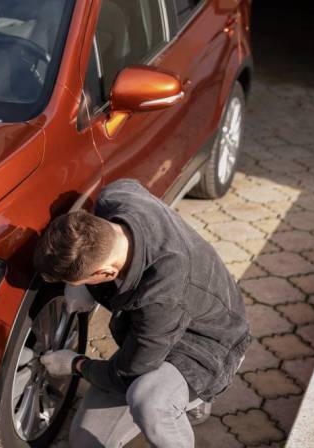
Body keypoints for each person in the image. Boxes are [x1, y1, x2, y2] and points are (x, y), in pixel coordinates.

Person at [33, 179, 251, 448]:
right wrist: (80, 286)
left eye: (87, 281)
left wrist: (76, 364)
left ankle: (188, 398)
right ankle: (176, 395)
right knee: (84, 443)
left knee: (149, 401)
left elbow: (128, 372)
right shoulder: (115, 197)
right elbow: (127, 184)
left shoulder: (161, 294)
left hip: (211, 343)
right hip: (176, 316)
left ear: (105, 273)